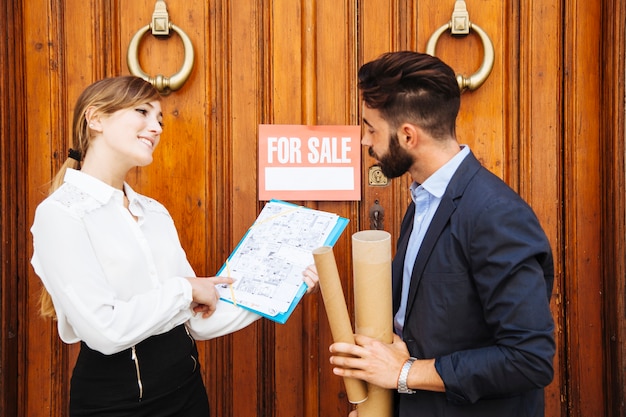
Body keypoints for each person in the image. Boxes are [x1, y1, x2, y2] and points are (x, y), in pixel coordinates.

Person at [30, 75, 319, 417]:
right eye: (142, 112)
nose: (156, 128)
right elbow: (105, 330)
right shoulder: (60, 214)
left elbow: (195, 321)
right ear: (95, 119)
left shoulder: (153, 212)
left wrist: (283, 287)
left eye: (160, 120)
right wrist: (185, 289)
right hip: (117, 405)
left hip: (188, 393)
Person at [327, 51, 555, 417]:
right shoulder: (423, 197)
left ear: (407, 135)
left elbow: (529, 359)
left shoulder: (496, 215)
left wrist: (404, 373)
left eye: (371, 129)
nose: (364, 142)